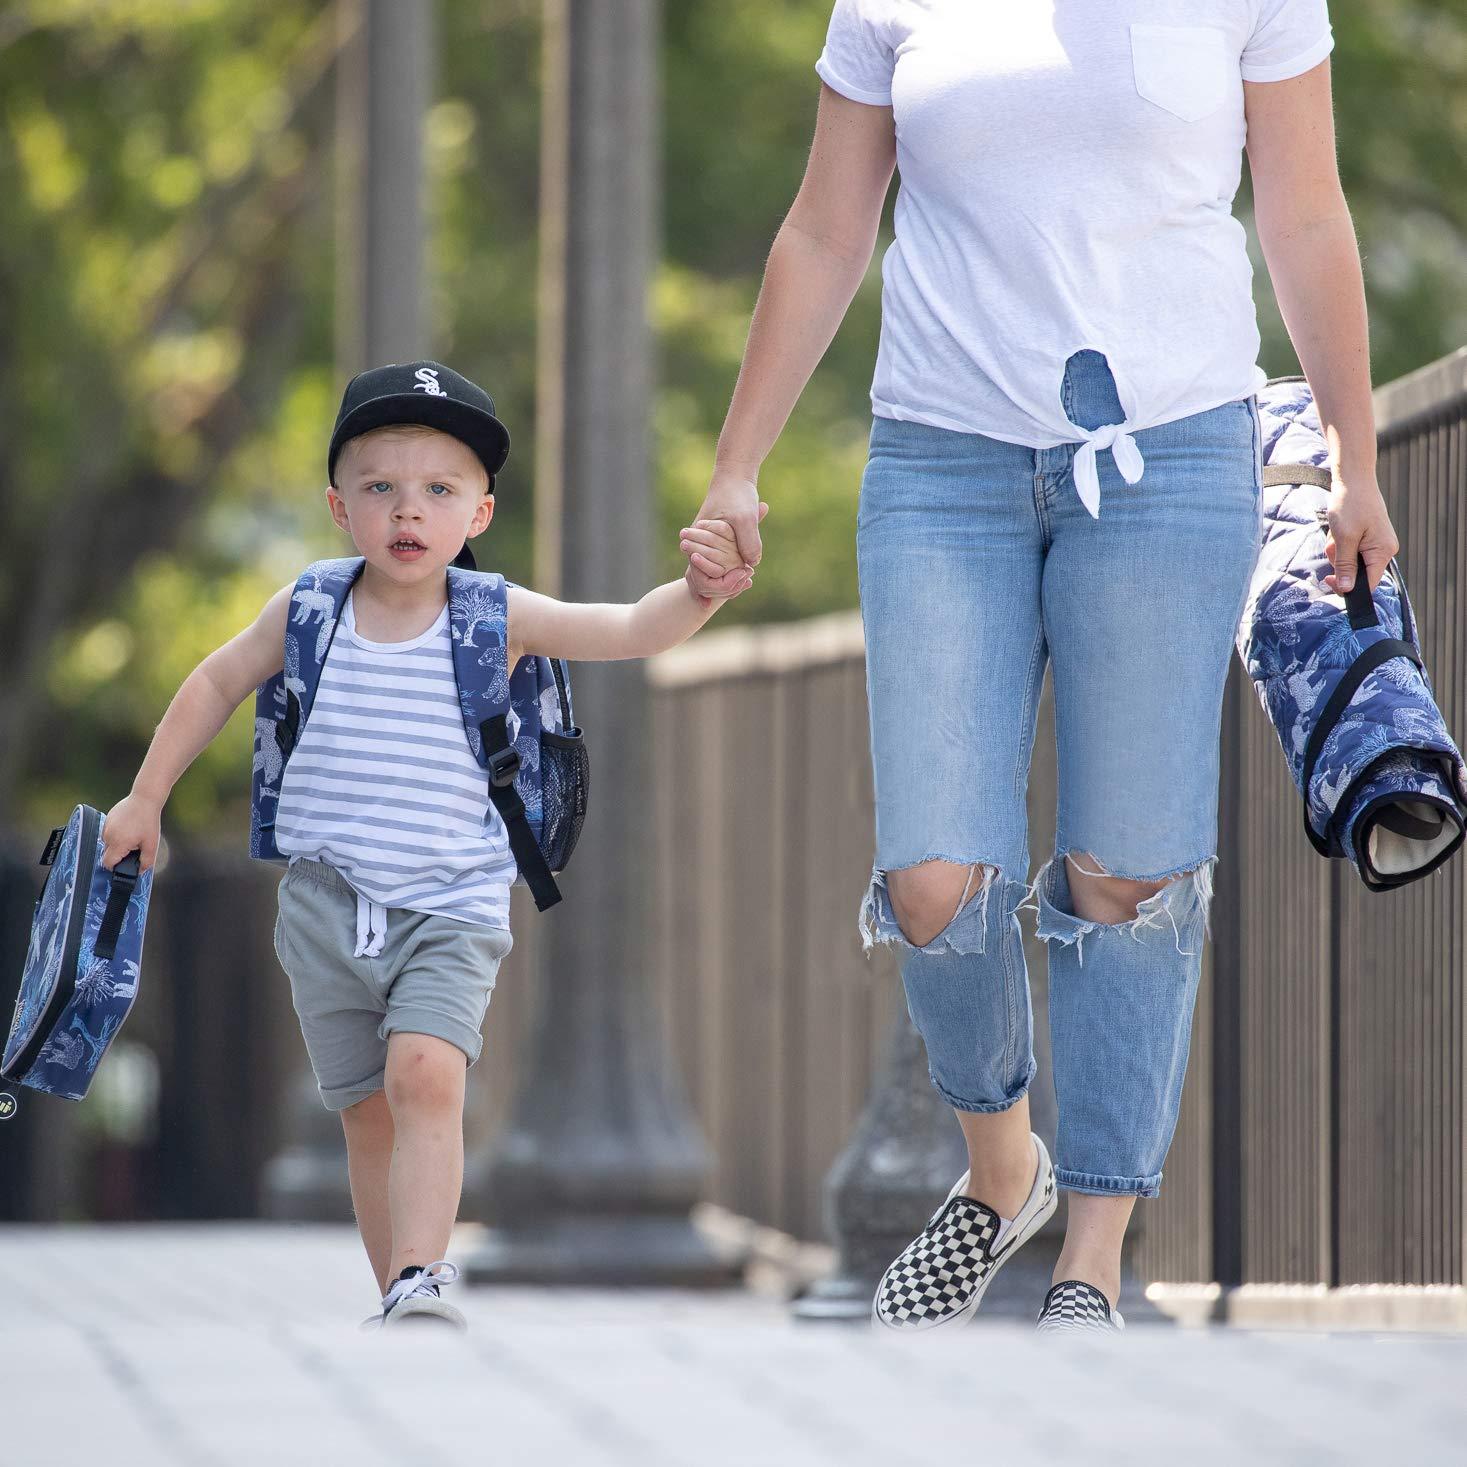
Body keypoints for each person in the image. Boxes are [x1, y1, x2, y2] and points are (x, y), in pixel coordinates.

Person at [682, 1, 1397, 1334]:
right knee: (932, 873)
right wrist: (738, 461)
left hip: (1172, 451)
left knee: (1124, 868)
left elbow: (1304, 216)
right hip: (937, 462)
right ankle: (1001, 1166)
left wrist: (1351, 458)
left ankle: (1091, 1253)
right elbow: (825, 228)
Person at [100, 361, 756, 1331]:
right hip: (324, 903)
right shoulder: (310, 611)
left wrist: (700, 593)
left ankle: (422, 1273)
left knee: (427, 1073)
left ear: (479, 513)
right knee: (366, 1112)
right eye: (381, 489)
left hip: (450, 901)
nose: (409, 512)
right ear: (339, 507)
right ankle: (394, 1287)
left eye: (439, 491)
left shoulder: (495, 618)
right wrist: (144, 800)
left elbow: (623, 629)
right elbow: (215, 681)